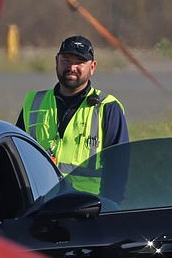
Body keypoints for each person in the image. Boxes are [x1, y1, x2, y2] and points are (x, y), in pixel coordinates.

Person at [16, 35, 129, 202]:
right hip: (39, 205)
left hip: (87, 208)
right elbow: (15, 155)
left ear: (92, 67)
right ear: (57, 61)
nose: (72, 67)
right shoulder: (34, 103)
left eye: (80, 62)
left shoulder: (108, 108)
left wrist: (107, 212)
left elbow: (119, 171)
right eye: (66, 60)